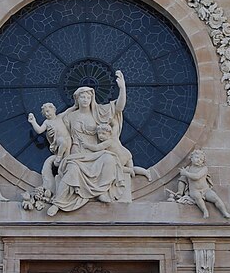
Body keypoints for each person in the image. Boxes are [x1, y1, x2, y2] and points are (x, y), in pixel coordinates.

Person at [29, 71, 147, 216]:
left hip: (97, 152)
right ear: (77, 100)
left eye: (87, 96)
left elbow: (118, 108)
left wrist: (122, 88)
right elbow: (60, 132)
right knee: (72, 169)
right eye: (82, 97)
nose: (85, 99)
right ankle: (58, 202)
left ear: (92, 98)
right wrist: (53, 137)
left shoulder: (99, 112)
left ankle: (101, 191)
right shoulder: (69, 116)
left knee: (110, 159)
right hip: (77, 154)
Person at [168, 150, 230, 219]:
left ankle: (224, 212)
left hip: (205, 190)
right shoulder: (188, 169)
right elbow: (182, 180)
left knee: (215, 198)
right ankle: (205, 211)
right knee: (197, 198)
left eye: (201, 159)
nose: (199, 160)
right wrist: (180, 191)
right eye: (197, 157)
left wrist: (186, 173)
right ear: (191, 158)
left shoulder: (204, 168)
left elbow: (196, 176)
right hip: (194, 191)